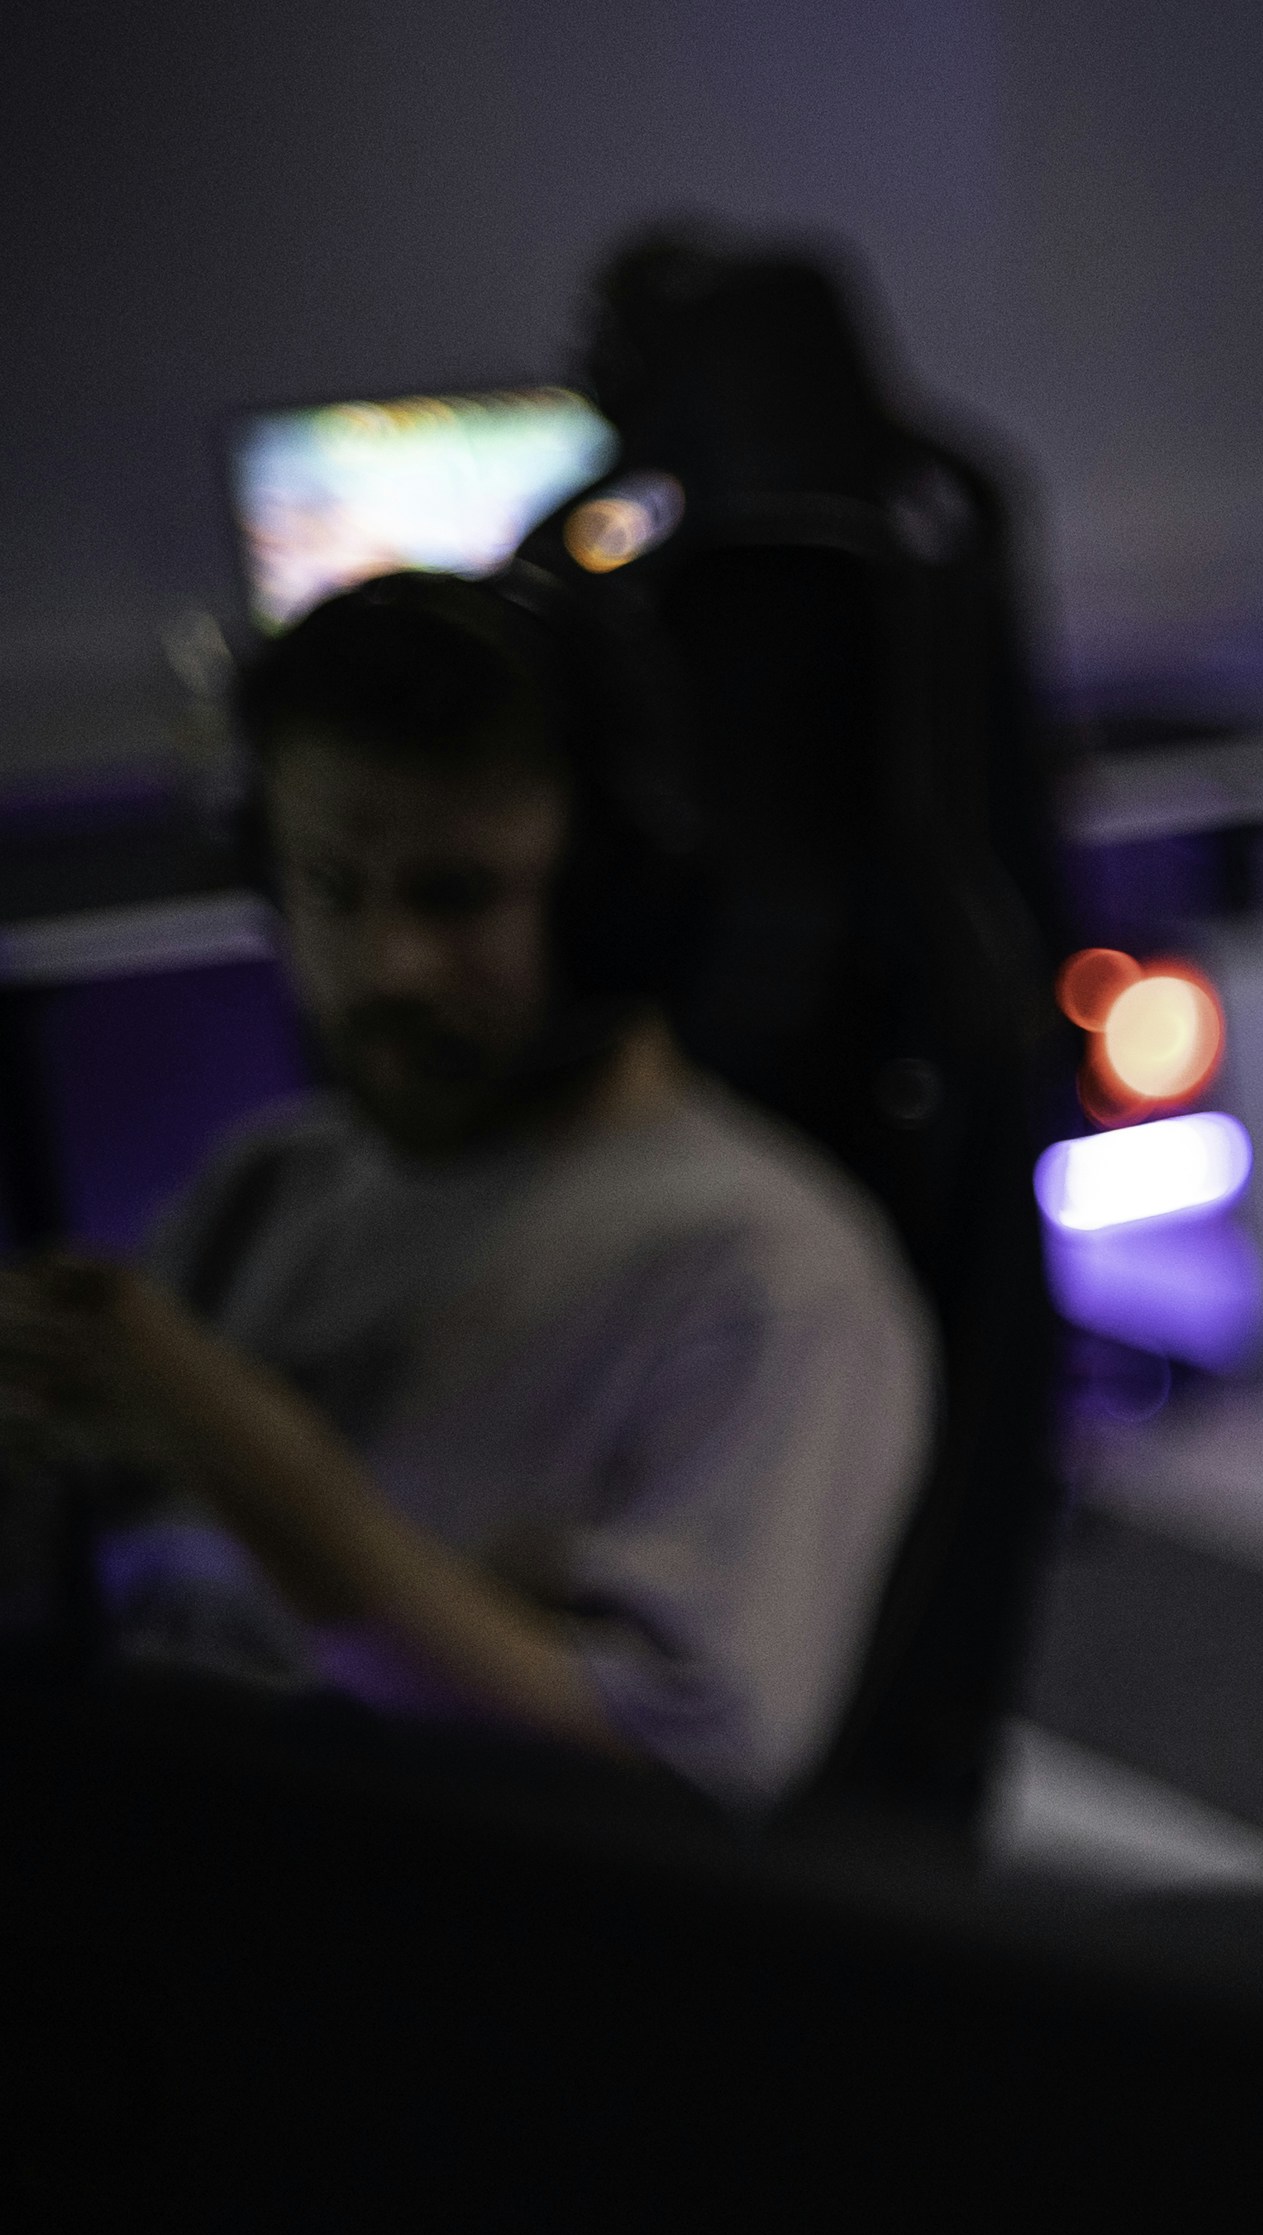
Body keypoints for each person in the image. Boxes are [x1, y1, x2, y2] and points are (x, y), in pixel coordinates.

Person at [0, 568, 929, 1809]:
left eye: (457, 896)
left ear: (609, 910)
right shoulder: (274, 1185)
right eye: (331, 890)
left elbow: (669, 1787)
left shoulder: (764, 1272)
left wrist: (237, 1441)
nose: (386, 967)